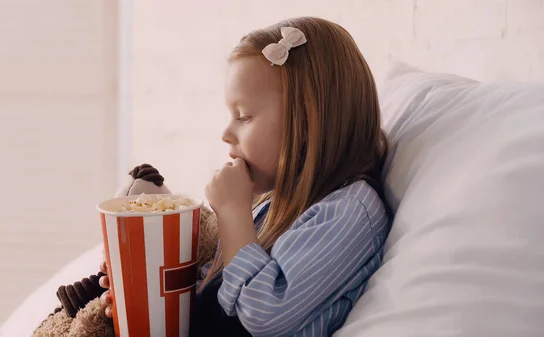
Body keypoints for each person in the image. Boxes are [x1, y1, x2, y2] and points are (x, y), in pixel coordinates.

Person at [100, 16, 392, 337]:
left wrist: (233, 213)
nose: (226, 133)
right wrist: (146, 295)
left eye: (244, 116)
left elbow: (263, 315)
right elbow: (221, 291)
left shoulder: (349, 212)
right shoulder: (275, 203)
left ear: (308, 123)